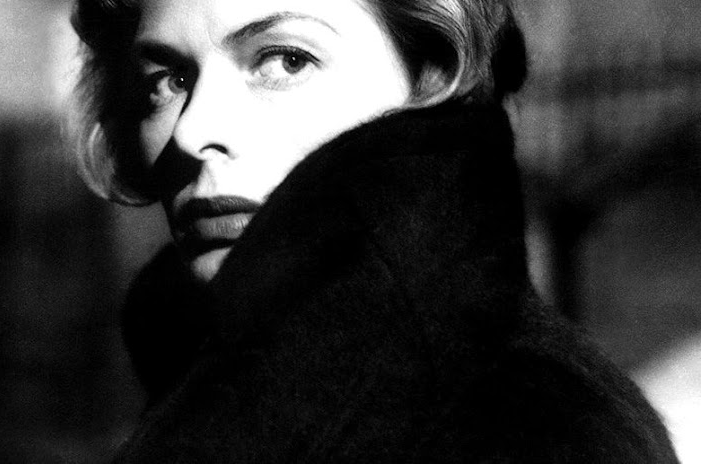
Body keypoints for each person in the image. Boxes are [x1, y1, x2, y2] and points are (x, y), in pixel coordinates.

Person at [70, 0, 679, 462]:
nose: (191, 131)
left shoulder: (536, 428)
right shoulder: (208, 378)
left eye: (286, 60)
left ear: (432, 77)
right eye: (168, 81)